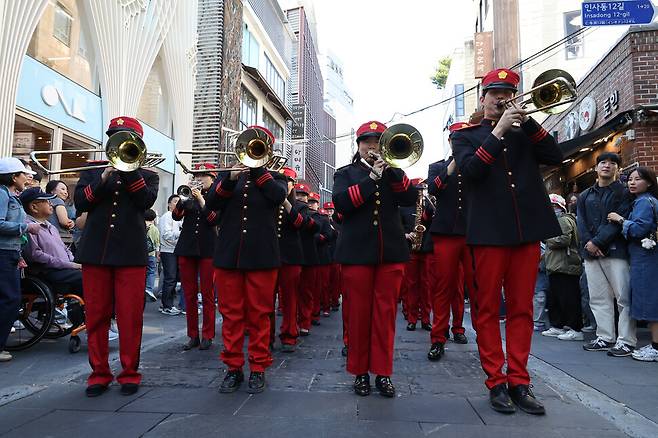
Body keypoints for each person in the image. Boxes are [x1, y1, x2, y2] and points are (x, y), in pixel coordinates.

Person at [452, 68, 563, 415]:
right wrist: (498, 131)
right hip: (488, 233)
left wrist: (526, 123)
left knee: (521, 309)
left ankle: (519, 380)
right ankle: (495, 381)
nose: (501, 98)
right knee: (486, 309)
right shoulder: (465, 135)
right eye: (495, 93)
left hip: (525, 232)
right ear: (482, 98)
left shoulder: (525, 133)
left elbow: (554, 156)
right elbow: (471, 172)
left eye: (507, 92)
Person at [74, 116, 159, 397]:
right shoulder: (92, 171)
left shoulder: (148, 174)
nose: (120, 141)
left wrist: (130, 169)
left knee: (130, 317)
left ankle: (129, 373)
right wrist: (103, 178)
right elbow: (81, 203)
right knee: (96, 315)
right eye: (115, 136)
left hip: (130, 254)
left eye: (125, 137)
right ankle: (98, 373)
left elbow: (145, 201)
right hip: (95, 252)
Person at [333, 120, 418, 398]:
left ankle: (383, 373)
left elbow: (408, 198)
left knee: (385, 316)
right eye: (366, 141)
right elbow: (342, 204)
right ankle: (359, 373)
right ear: (358, 145)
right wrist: (370, 179)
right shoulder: (346, 173)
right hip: (356, 253)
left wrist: (390, 170)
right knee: (358, 316)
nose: (372, 145)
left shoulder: (395, 171)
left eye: (377, 140)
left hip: (390, 253)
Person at [205, 126, 287, 394]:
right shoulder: (227, 177)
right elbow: (211, 206)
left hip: (262, 257)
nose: (252, 151)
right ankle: (233, 367)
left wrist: (258, 170)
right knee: (231, 315)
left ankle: (259, 367)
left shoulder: (275, 177)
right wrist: (228, 179)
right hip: (229, 256)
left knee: (260, 315)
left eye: (258, 146)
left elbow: (278, 197)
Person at [577, 152, 635, 357]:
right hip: (592, 254)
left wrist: (596, 242)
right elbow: (580, 223)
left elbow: (620, 220)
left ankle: (626, 341)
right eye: (603, 162)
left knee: (623, 297)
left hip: (616, 251)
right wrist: (588, 244)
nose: (607, 166)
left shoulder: (624, 192)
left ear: (618, 169)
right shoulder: (585, 195)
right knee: (598, 297)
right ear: (596, 168)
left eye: (612, 163)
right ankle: (605, 336)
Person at [426, 124, 473, 363]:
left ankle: (460, 329)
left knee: (472, 288)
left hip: (473, 233)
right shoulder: (438, 166)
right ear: (450, 140)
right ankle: (438, 338)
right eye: (457, 138)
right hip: (445, 233)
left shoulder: (477, 161)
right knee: (443, 287)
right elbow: (433, 188)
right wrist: (455, 161)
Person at [608, 167, 658, 362]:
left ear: (649, 183)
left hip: (647, 257)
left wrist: (621, 220)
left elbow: (639, 229)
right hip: (646, 256)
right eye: (630, 179)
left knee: (650, 301)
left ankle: (655, 347)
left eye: (638, 179)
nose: (632, 182)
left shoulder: (644, 202)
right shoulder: (646, 201)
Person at [172, 163, 220, 350]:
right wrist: (183, 199)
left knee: (207, 294)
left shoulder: (217, 198)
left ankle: (208, 334)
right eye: (197, 175)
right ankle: (193, 335)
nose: (199, 179)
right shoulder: (188, 196)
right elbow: (176, 216)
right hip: (187, 248)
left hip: (208, 249)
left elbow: (213, 219)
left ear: (213, 178)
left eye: (203, 175)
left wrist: (201, 200)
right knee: (189, 294)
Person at [0, 158, 38, 362]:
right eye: (23, 174)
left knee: (9, 298)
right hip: (4, 252)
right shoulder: (2, 194)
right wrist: (26, 227)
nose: (27, 178)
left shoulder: (10, 195)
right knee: (10, 299)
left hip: (10, 252)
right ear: (14, 177)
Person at [21, 187, 82, 293]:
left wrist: (72, 262)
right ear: (33, 207)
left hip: (64, 269)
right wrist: (70, 265)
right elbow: (36, 255)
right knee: (86, 277)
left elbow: (65, 248)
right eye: (46, 201)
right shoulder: (28, 226)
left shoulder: (52, 227)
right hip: (47, 272)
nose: (51, 204)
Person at [541, 194, 583, 341]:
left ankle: (575, 328)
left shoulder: (564, 220)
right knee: (556, 298)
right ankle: (557, 325)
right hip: (557, 265)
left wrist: (546, 237)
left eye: (554, 207)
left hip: (565, 265)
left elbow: (563, 239)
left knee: (568, 298)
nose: (552, 209)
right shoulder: (555, 221)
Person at [275, 167, 308, 352]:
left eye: (286, 180)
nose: (282, 183)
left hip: (291, 256)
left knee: (289, 299)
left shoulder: (300, 205)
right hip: (270, 255)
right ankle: (267, 336)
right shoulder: (269, 200)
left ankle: (289, 335)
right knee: (266, 300)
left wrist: (285, 202)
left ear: (292, 184)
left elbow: (299, 223)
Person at [400, 178, 433, 332]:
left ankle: (426, 319)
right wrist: (406, 235)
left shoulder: (429, 206)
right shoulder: (403, 207)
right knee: (411, 285)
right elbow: (397, 226)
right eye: (418, 189)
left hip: (426, 249)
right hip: (410, 249)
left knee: (426, 286)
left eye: (423, 189)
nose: (421, 192)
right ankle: (412, 319)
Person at [296, 183, 320, 336]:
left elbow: (315, 228)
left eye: (304, 196)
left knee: (306, 292)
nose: (301, 198)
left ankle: (305, 321)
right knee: (292, 294)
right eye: (298, 195)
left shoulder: (316, 216)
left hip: (308, 257)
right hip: (292, 256)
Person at [158, 194, 183, 315]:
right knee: (170, 278)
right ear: (169, 204)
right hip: (168, 251)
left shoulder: (179, 217)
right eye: (175, 202)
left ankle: (168, 304)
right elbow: (166, 234)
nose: (178, 204)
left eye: (179, 202)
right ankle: (166, 306)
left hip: (175, 250)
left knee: (173, 279)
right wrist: (180, 233)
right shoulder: (167, 216)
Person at [45, 180, 75, 246]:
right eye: (62, 189)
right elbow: (64, 222)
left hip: (47, 236)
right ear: (52, 191)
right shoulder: (58, 201)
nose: (66, 193)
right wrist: (71, 223)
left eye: (66, 190)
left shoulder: (45, 202)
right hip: (61, 237)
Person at [144, 209, 160, 302]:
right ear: (153, 218)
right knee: (151, 271)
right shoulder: (154, 229)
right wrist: (158, 255)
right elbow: (157, 244)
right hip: (151, 254)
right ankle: (149, 288)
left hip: (141, 254)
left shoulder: (140, 226)